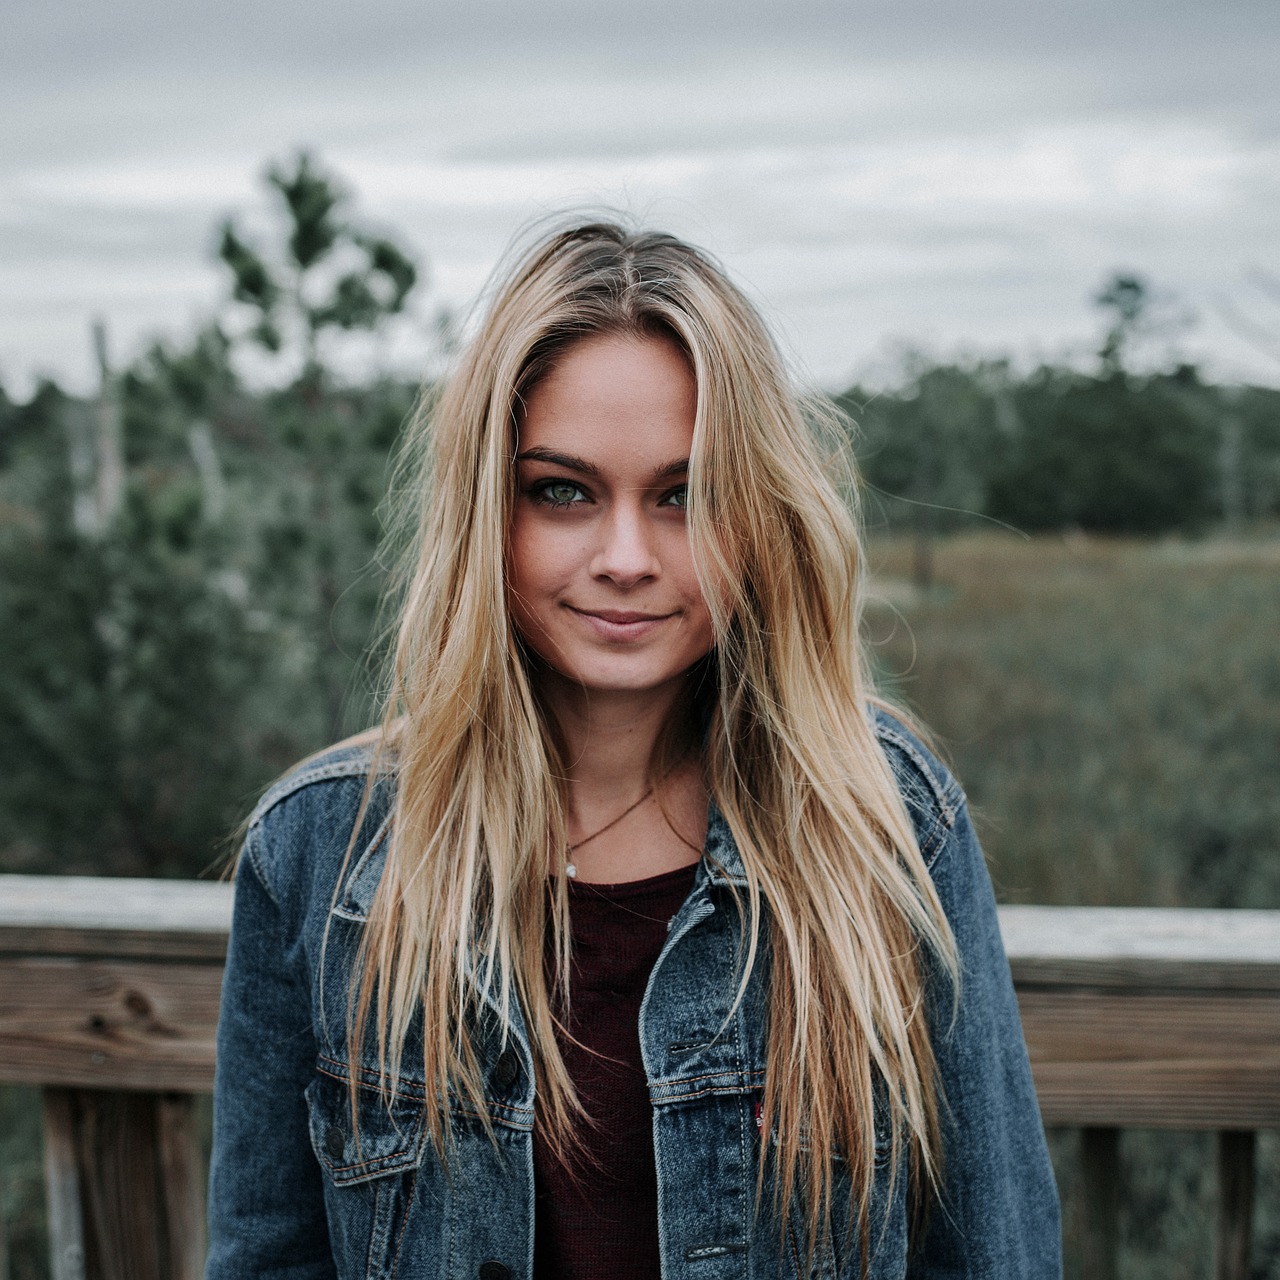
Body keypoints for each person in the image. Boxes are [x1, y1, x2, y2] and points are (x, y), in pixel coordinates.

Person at [206, 221, 1061, 1279]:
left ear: (756, 515)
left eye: (683, 495)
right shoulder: (322, 848)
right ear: (488, 510)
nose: (623, 558)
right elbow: (267, 1254)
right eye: (561, 490)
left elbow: (992, 1252)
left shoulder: (885, 820)